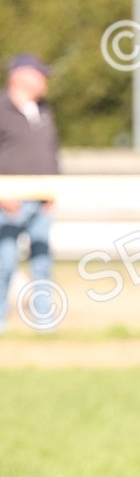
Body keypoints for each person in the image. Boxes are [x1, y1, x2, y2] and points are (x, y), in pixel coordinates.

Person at [0, 55, 59, 330]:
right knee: (5, 262)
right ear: (21, 76)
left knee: (42, 262)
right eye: (40, 75)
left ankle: (44, 322)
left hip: (41, 200)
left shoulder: (43, 109)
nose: (45, 81)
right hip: (8, 201)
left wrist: (53, 188)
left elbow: (51, 151)